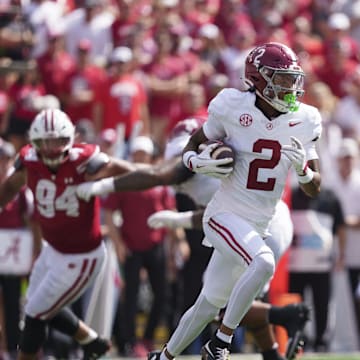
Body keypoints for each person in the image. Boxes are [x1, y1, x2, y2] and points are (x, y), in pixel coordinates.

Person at [76, 113, 311, 360]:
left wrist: (101, 187)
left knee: (220, 303)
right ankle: (271, 352)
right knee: (227, 298)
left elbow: (156, 175)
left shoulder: (201, 160)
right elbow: (159, 175)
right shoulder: (221, 153)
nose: (179, 161)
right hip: (267, 222)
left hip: (262, 228)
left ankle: (285, 316)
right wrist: (179, 219)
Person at [154, 42, 322, 360]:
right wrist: (194, 161)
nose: (291, 87)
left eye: (292, 79)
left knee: (207, 303)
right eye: (282, 78)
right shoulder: (232, 106)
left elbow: (316, 187)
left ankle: (163, 357)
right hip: (224, 214)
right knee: (263, 263)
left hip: (260, 221)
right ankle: (220, 343)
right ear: (258, 79)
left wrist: (303, 174)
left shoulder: (306, 118)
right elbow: (194, 142)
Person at [0, 108, 138, 360]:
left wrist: (162, 177)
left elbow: (128, 170)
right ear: (35, 142)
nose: (52, 149)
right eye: (46, 142)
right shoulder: (29, 161)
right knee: (37, 304)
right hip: (53, 249)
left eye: (58, 141)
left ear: (70, 140)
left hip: (82, 255)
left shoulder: (84, 160)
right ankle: (91, 341)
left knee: (34, 314)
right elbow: (9, 186)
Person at [288, 185, 346, 352]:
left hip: (321, 265)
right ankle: (299, 340)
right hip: (295, 266)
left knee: (322, 305)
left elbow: (340, 226)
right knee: (296, 306)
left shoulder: (330, 197)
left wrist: (341, 254)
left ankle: (321, 342)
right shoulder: (290, 195)